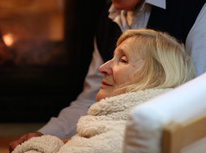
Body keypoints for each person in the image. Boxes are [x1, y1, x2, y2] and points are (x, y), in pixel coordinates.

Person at [9, 0, 206, 151]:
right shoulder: (108, 18)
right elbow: (91, 98)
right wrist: (44, 134)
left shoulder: (198, 4)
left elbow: (198, 105)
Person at [11, 29, 195, 153]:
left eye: (123, 60)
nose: (103, 68)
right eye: (112, 58)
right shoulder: (124, 129)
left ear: (156, 77)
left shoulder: (116, 139)